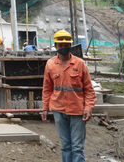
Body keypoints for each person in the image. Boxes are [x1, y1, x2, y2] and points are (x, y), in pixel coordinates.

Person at [42, 29, 96, 162]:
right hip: (58, 110)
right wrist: (44, 108)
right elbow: (47, 89)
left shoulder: (80, 64)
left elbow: (89, 90)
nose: (63, 48)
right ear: (55, 46)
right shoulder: (50, 64)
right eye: (61, 45)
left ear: (70, 46)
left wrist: (88, 108)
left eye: (66, 45)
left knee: (77, 147)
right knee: (65, 146)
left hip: (77, 111)